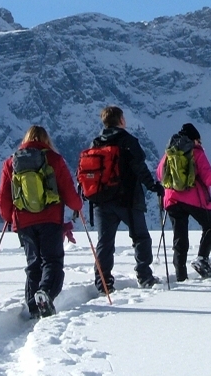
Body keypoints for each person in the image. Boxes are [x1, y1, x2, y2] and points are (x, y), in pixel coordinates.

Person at [0, 125, 83, 318]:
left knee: (33, 263)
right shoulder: (53, 159)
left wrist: (10, 217)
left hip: (23, 222)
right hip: (50, 219)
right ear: (46, 140)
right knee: (51, 261)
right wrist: (78, 205)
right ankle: (45, 294)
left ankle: (33, 307)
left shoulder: (11, 162)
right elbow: (68, 191)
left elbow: (3, 197)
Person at [90, 106, 165, 292]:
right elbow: (139, 167)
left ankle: (103, 282)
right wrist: (153, 186)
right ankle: (144, 275)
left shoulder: (96, 142)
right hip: (128, 199)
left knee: (105, 242)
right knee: (140, 237)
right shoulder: (128, 140)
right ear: (121, 120)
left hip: (102, 201)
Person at [156, 123, 211, 281]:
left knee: (180, 238)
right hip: (194, 199)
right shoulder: (196, 153)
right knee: (210, 227)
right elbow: (208, 178)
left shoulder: (169, 153)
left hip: (172, 200)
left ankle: (180, 276)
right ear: (194, 139)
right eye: (199, 140)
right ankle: (202, 259)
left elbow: (159, 174)